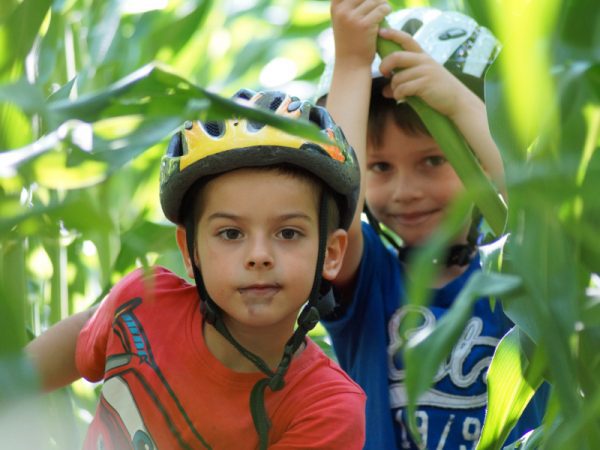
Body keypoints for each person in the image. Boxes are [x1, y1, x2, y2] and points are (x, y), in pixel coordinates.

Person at [26, 89, 366, 449]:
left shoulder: (327, 408)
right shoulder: (140, 306)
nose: (259, 255)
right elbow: (36, 367)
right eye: (231, 233)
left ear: (330, 253)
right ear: (190, 252)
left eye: (288, 233)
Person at [317, 2, 547, 449]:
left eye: (433, 160)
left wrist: (462, 105)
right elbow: (332, 211)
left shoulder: (523, 265)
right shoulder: (368, 278)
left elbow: (536, 202)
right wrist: (351, 63)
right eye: (380, 167)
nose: (406, 191)